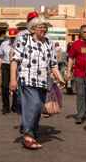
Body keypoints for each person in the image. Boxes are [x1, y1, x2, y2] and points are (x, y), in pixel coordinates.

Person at [10, 16, 65, 150]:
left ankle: (31, 134)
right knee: (33, 105)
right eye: (41, 27)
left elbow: (53, 65)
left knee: (38, 108)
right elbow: (14, 60)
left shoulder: (48, 43)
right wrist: (12, 79)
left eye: (45, 28)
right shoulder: (23, 39)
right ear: (33, 29)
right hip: (26, 79)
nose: (44, 30)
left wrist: (60, 78)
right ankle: (28, 135)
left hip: (43, 82)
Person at [66, 25, 86, 124]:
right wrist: (69, 71)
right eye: (85, 32)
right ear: (80, 33)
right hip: (79, 73)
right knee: (80, 94)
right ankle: (80, 115)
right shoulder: (75, 44)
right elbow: (70, 58)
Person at [0, 28, 19, 114]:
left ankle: (15, 106)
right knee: (4, 86)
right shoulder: (4, 44)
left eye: (14, 37)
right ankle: (5, 106)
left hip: (17, 65)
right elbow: (0, 57)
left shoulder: (20, 44)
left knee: (16, 87)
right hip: (6, 65)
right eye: (11, 37)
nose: (12, 39)